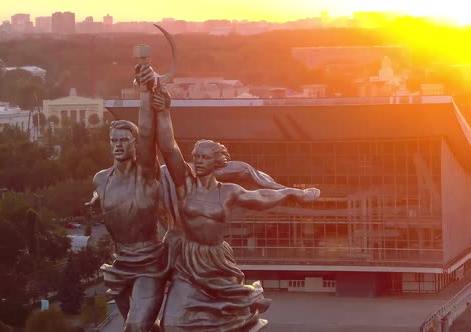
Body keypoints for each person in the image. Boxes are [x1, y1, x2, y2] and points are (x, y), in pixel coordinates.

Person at [151, 80, 320, 331]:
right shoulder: (184, 184)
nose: (197, 161)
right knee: (173, 323)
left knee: (230, 321)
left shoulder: (228, 192)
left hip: (217, 260)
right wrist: (164, 111)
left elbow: (261, 198)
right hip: (188, 259)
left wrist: (294, 193)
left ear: (217, 162)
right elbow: (168, 146)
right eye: (196, 156)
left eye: (205, 157)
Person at [86, 65, 168, 332]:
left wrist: (145, 90)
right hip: (121, 263)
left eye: (124, 140)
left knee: (134, 327)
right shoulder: (100, 178)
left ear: (135, 145)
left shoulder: (146, 174)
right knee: (142, 327)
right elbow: (101, 192)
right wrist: (96, 198)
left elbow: (147, 130)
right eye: (114, 140)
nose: (118, 144)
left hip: (149, 263)